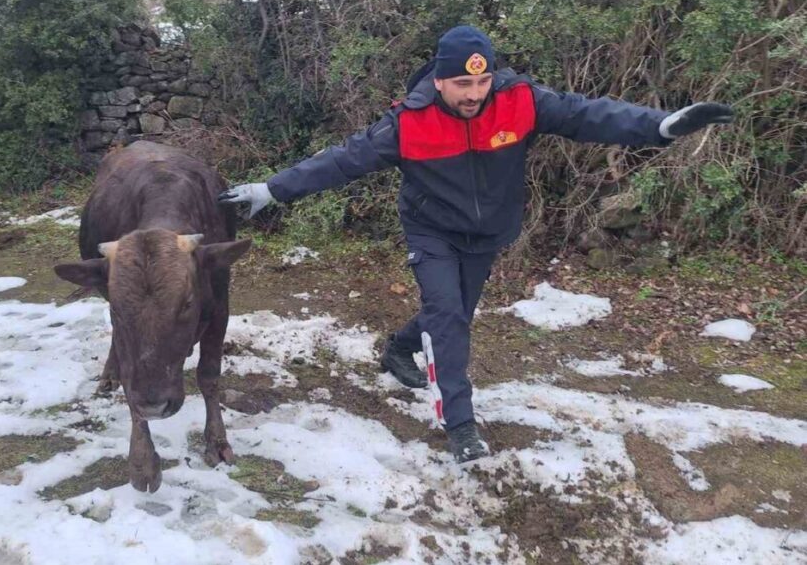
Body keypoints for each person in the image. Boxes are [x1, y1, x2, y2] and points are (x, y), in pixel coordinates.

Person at [219, 25, 734, 463]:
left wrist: (661, 126)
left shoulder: (520, 102)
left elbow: (589, 115)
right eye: (463, 82)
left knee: (455, 311)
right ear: (438, 80)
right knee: (447, 315)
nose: (474, 93)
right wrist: (272, 189)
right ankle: (461, 427)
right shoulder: (408, 122)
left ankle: (398, 347)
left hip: (488, 233)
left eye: (483, 80)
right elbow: (340, 160)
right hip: (433, 231)